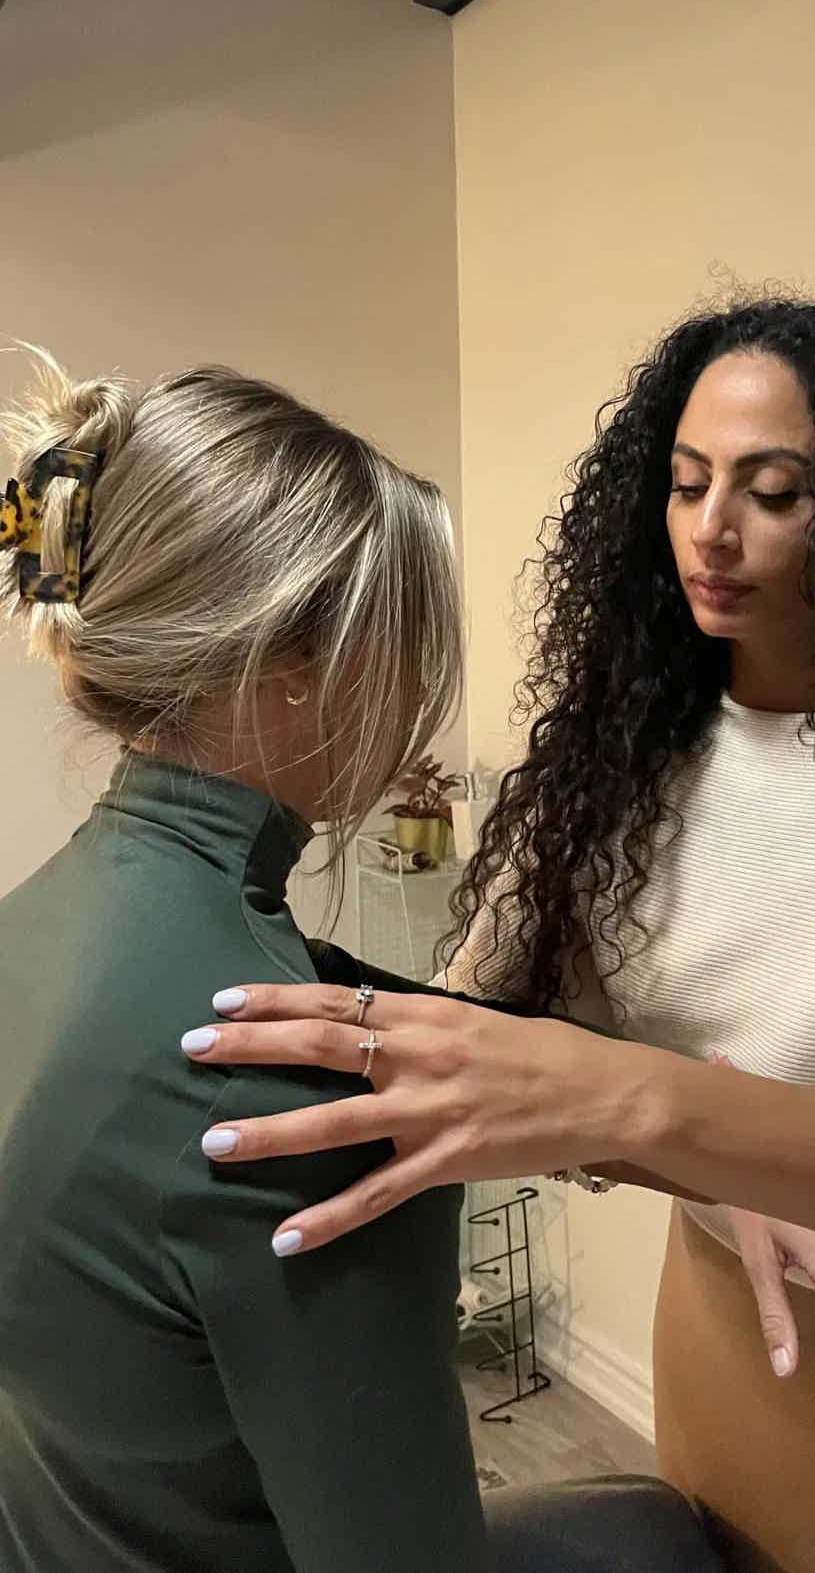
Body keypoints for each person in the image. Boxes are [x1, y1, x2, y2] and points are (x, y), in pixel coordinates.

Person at [181, 298, 815, 1573]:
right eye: (686, 481)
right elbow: (513, 1044)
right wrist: (713, 1158)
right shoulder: (622, 758)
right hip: (720, 1320)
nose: (710, 530)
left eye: (774, 492)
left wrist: (672, 1117)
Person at [0, 352, 722, 1573]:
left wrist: (687, 1139)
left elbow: (418, 1011)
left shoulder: (37, 922)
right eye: (394, 648)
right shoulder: (291, 1079)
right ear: (289, 665)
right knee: (666, 1535)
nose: (410, 707)